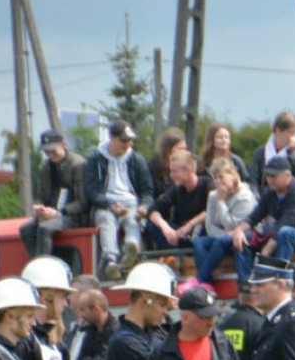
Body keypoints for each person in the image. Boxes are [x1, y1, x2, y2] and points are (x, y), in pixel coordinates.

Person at [84, 119, 154, 280]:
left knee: (132, 219)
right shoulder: (95, 159)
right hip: (106, 201)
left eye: (130, 140)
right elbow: (92, 191)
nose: (127, 144)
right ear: (112, 138)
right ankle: (110, 259)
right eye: (123, 140)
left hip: (131, 201)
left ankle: (132, 248)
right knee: (106, 220)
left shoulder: (136, 159)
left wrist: (145, 206)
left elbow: (147, 191)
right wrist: (109, 204)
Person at [232, 156, 295, 263]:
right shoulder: (270, 192)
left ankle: (280, 273)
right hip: (280, 236)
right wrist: (239, 231)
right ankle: (247, 278)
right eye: (267, 176)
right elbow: (254, 216)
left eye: (273, 176)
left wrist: (264, 254)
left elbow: (286, 223)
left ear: (287, 175)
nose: (269, 180)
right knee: (245, 239)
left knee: (285, 232)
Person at [20, 130, 89, 257]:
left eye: (53, 150)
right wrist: (39, 207)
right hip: (52, 213)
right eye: (47, 151)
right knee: (26, 230)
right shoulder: (45, 167)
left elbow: (83, 203)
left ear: (63, 144)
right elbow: (42, 195)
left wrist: (58, 213)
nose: (50, 155)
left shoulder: (78, 165)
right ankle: (36, 261)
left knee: (44, 228)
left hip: (74, 216)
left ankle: (44, 265)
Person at [192, 157, 257, 291]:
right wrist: (225, 235)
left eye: (222, 177)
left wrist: (221, 202)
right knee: (199, 242)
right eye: (215, 178)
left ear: (233, 175)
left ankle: (200, 279)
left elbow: (234, 226)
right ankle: (207, 285)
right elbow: (209, 227)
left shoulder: (245, 196)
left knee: (226, 240)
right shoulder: (213, 196)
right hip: (223, 238)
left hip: (246, 235)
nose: (218, 182)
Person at [146, 150, 213, 251]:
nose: (171, 176)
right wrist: (165, 228)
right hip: (181, 235)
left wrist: (190, 225)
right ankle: (172, 255)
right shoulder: (177, 189)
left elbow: (212, 210)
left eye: (175, 171)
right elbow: (152, 210)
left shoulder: (207, 184)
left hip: (202, 233)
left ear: (188, 170)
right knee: (153, 224)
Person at [248, 111, 295, 194]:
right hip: (269, 200)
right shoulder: (261, 153)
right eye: (291, 132)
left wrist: (292, 152)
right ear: (278, 130)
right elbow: (253, 181)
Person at [148, 127, 187, 198]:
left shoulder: (185, 169)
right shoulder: (152, 167)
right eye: (180, 149)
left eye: (184, 149)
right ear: (168, 149)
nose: (183, 153)